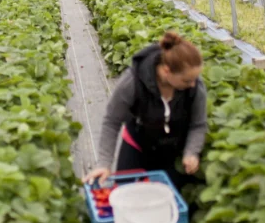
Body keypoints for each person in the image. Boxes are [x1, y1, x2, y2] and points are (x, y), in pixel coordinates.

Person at [83, 31, 207, 193]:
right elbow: (112, 122)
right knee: (126, 194)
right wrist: (104, 164)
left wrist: (191, 152)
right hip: (138, 146)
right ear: (166, 71)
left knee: (168, 199)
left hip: (174, 150)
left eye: (195, 79)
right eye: (187, 80)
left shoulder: (195, 88)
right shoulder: (133, 82)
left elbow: (198, 124)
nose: (193, 84)